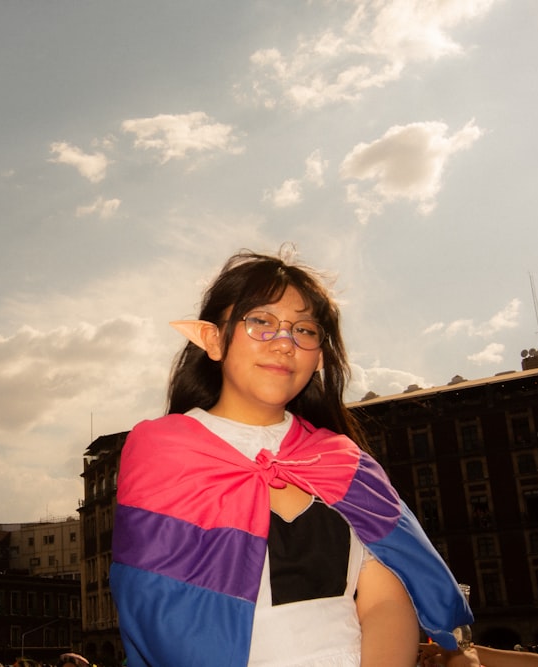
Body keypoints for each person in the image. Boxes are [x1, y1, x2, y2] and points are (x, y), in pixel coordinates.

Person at [109, 247, 474, 666]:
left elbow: (384, 602)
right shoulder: (162, 448)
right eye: (261, 322)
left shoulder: (344, 460)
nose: (285, 343)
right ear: (212, 339)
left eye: (304, 330)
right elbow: (153, 604)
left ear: (318, 355)